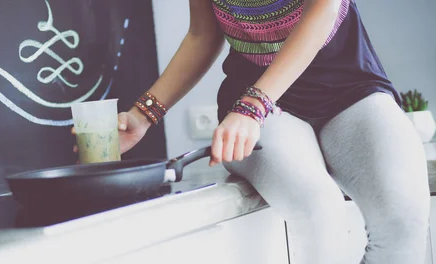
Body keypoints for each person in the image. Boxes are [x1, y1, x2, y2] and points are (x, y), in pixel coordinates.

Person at [74, 0, 430, 263]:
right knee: (320, 209)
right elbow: (202, 34)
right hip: (261, 109)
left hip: (349, 88)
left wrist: (253, 105)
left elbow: (323, 10)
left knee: (405, 222)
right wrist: (144, 114)